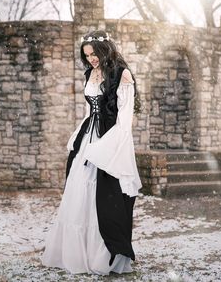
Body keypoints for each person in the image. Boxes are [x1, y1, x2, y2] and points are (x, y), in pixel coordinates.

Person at [41, 30, 142, 275]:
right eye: (87, 56)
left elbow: (125, 119)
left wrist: (106, 149)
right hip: (89, 136)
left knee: (106, 198)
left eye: (94, 53)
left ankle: (103, 255)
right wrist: (80, 134)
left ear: (104, 49)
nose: (91, 59)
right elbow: (90, 112)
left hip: (111, 139)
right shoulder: (90, 73)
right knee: (79, 191)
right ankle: (79, 252)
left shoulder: (122, 74)